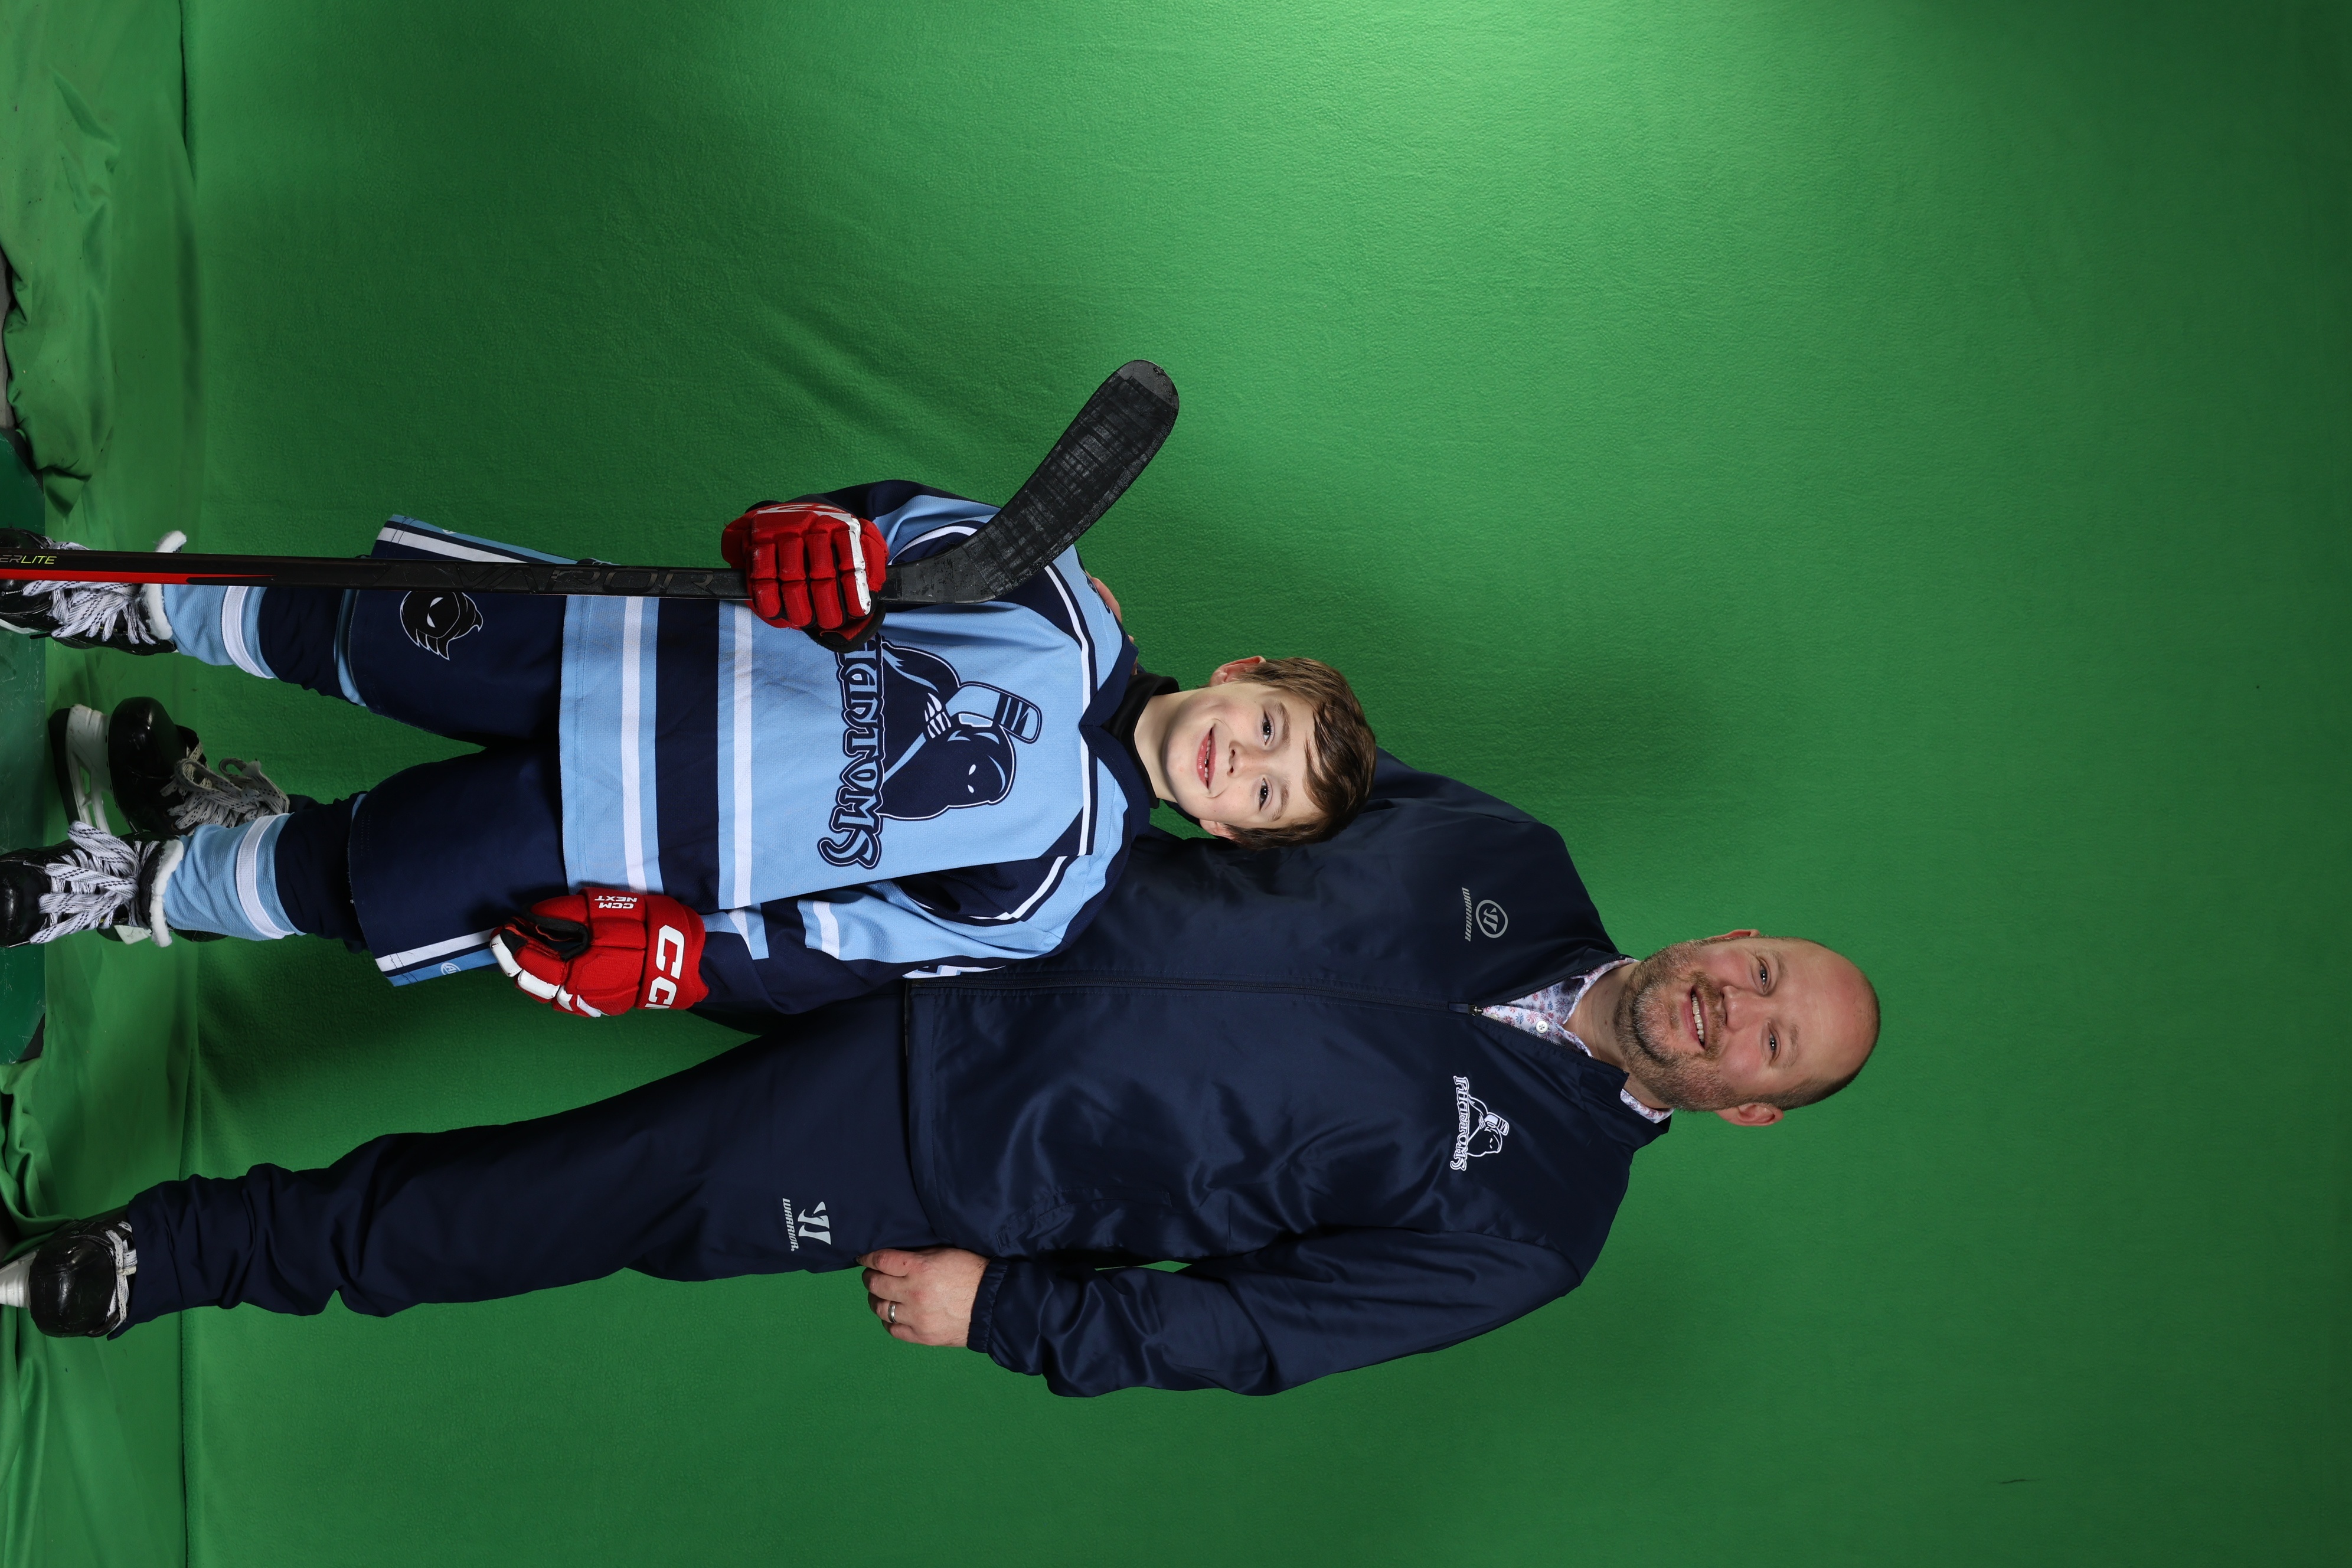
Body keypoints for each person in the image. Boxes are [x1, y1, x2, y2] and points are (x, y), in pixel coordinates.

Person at [0, 754, 1881, 1396]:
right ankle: (199, 865)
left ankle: (164, 1257)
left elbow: (1257, 1331)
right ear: (1734, 933)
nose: (1736, 1005)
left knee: (542, 1206)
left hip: (943, 1140)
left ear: (1750, 1109)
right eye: (1763, 971)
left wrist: (1015, 1315)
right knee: (560, 858)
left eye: (1770, 1040)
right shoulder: (1507, 858)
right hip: (919, 909)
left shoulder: (1537, 1227)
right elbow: (1251, 771)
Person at [0, 484, 1377, 1021]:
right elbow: (897, 527)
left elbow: (849, 942)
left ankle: (142, 883)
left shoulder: (1059, 885)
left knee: (365, 878)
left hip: (629, 837)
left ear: (1231, 834)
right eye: (1270, 726)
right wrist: (834, 533)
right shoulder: (1059, 597)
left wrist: (683, 961)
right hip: (623, 647)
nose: (1241, 761)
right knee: (362, 625)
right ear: (1245, 670)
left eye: (1267, 794)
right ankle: (130, 598)